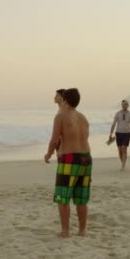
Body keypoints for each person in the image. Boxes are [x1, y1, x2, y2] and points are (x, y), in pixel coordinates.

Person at [44, 88, 92, 238]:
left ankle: (65, 231)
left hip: (69, 159)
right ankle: (82, 230)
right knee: (81, 197)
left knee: (63, 196)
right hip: (86, 158)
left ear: (64, 100)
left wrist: (48, 154)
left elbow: (54, 139)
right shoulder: (83, 117)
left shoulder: (61, 117)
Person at [108, 100, 130, 171]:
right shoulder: (118, 113)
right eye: (123, 105)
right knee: (119, 151)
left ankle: (123, 166)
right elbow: (113, 124)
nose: (124, 106)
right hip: (118, 133)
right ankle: (123, 163)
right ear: (121, 105)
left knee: (124, 148)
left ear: (128, 105)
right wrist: (110, 134)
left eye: (125, 104)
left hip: (126, 133)